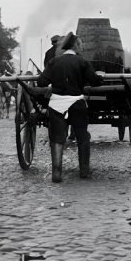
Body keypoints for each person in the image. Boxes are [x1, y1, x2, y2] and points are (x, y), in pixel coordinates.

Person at [37, 32, 103, 182]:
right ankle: (84, 171)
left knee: (57, 139)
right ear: (76, 45)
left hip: (56, 106)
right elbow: (95, 81)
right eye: (81, 44)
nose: (82, 47)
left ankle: (56, 173)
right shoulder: (82, 62)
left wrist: (53, 82)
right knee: (82, 136)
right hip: (76, 104)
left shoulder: (54, 61)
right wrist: (101, 76)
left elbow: (41, 82)